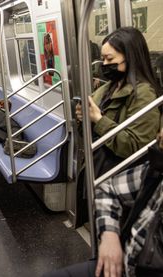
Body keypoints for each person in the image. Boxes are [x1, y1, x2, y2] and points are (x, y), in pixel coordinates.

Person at [43, 126, 163, 277]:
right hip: (124, 264)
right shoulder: (156, 168)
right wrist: (110, 236)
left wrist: (99, 120)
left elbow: (131, 145)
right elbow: (109, 188)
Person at [74, 27, 161, 226]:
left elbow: (135, 146)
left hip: (124, 180)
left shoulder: (144, 94)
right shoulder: (106, 88)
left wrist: (98, 119)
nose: (105, 65)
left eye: (110, 60)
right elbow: (91, 136)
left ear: (130, 57)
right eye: (103, 60)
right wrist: (83, 120)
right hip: (100, 171)